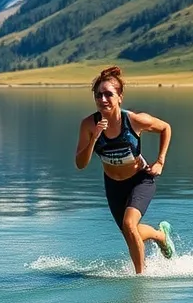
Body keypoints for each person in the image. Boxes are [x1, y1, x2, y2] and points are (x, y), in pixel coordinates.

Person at [74, 66, 176, 274]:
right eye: (98, 95)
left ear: (120, 97)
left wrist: (160, 162)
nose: (103, 99)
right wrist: (94, 139)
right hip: (113, 186)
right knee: (132, 233)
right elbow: (80, 164)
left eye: (108, 94)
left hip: (140, 180)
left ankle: (141, 279)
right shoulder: (88, 125)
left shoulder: (134, 121)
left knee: (130, 226)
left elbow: (165, 128)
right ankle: (160, 236)